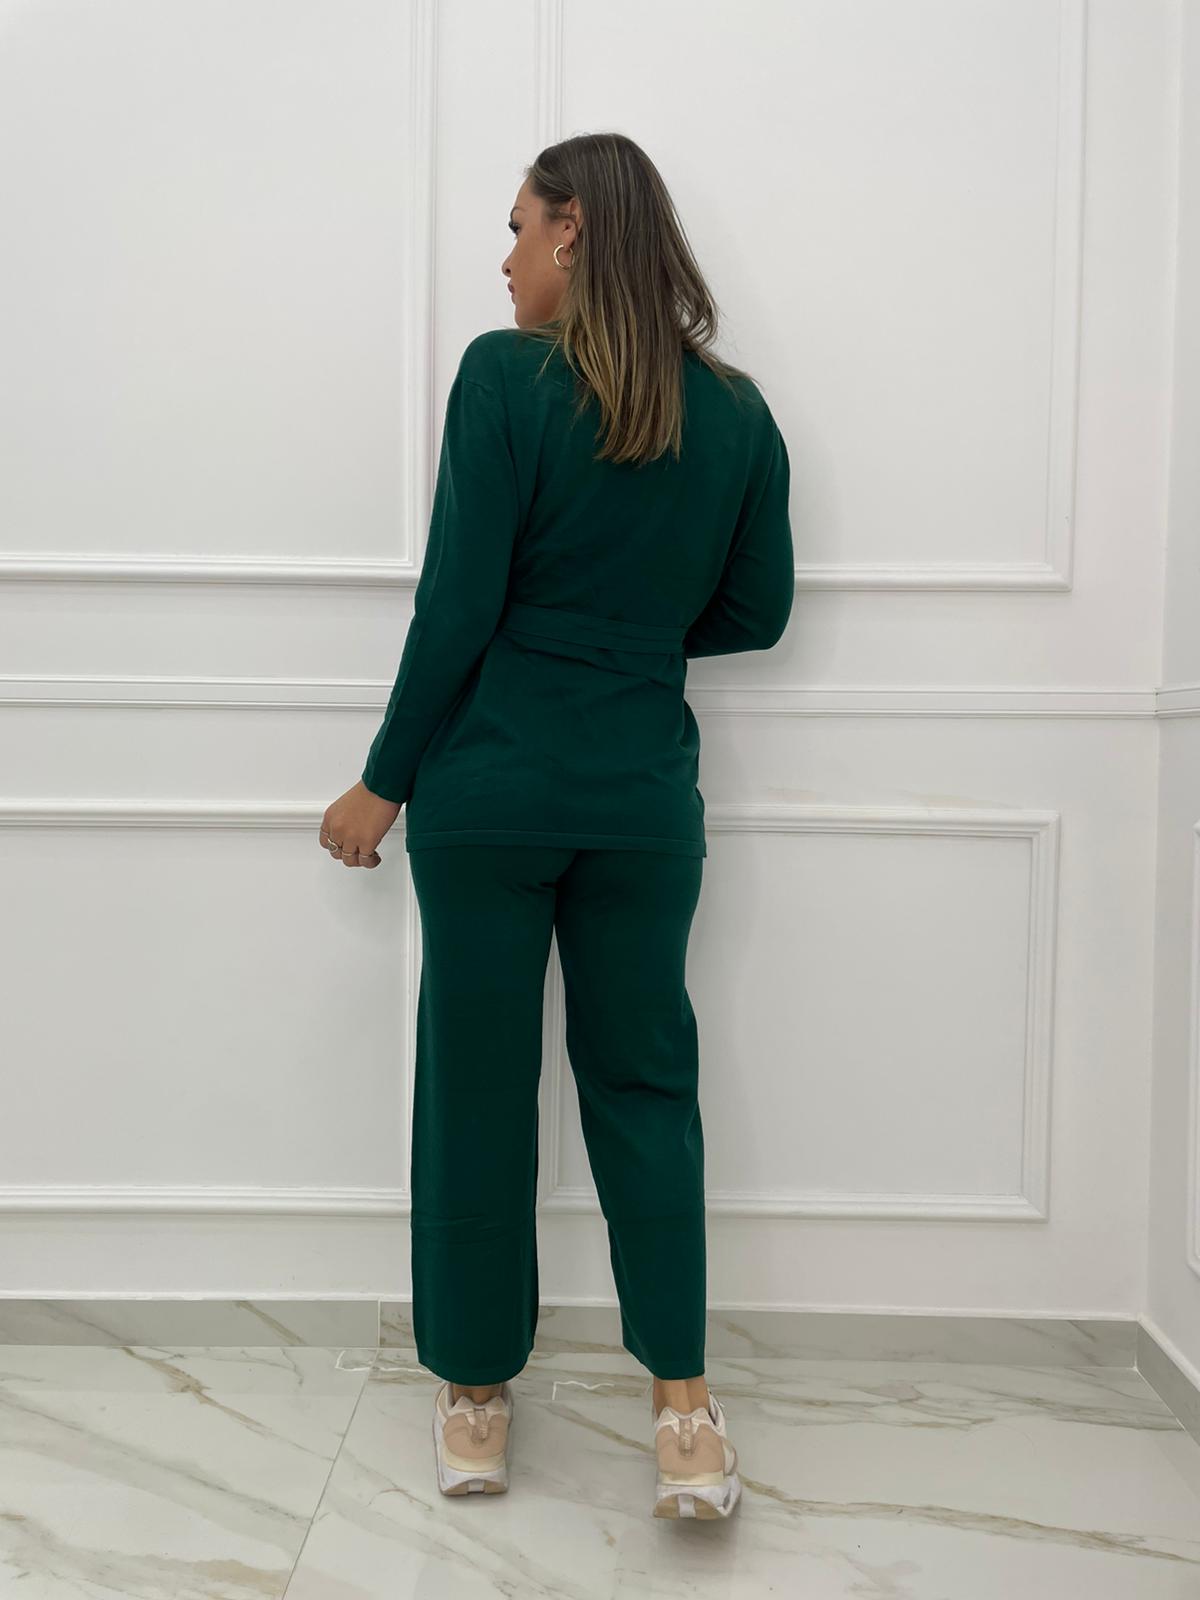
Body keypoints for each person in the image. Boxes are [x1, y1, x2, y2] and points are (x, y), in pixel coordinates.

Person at [319, 132, 793, 1519]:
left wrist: (383, 779)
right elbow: (756, 612)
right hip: (643, 802)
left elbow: (458, 601)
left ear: (574, 230)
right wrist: (626, 635)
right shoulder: (738, 413)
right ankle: (685, 1415)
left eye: (521, 226)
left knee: (476, 1088)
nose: (507, 257)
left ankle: (476, 1401)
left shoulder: (503, 376)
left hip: (490, 795)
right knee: (646, 1088)